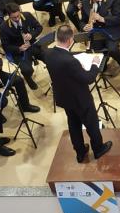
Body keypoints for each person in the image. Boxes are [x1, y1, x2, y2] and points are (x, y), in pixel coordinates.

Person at [44, 25, 113, 163]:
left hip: (64, 97)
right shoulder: (70, 61)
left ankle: (80, 153)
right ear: (70, 40)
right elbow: (88, 79)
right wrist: (94, 64)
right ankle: (98, 149)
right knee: (91, 124)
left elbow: (64, 57)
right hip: (80, 99)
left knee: (73, 124)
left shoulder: (48, 53)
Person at [76, 0, 120, 72]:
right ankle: (104, 61)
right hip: (96, 32)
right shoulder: (85, 1)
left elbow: (119, 19)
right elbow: (82, 21)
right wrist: (84, 26)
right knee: (96, 57)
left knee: (112, 49)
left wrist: (102, 19)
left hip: (111, 29)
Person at [0, 2, 44, 90]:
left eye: (18, 16)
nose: (17, 19)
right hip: (19, 52)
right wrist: (19, 48)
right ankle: (28, 78)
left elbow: (39, 27)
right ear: (8, 16)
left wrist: (31, 35)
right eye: (14, 17)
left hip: (33, 44)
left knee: (49, 56)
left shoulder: (27, 15)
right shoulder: (4, 27)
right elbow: (5, 46)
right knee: (27, 70)